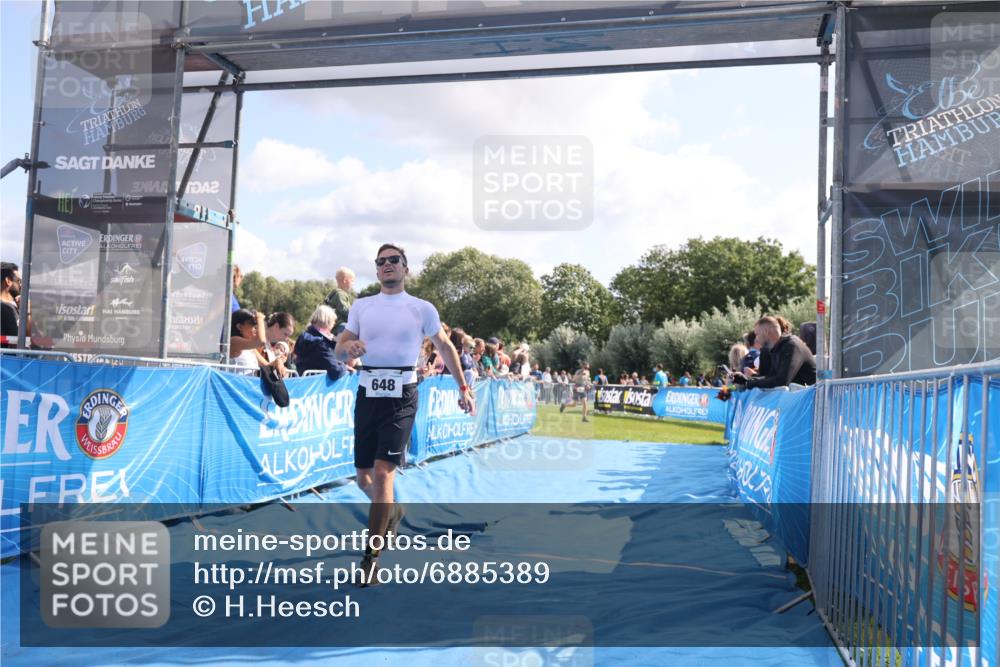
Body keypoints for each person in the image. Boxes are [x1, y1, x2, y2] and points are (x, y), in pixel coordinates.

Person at [335, 243, 474, 586]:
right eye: (381, 261)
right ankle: (392, 511)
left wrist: (463, 387)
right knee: (363, 478)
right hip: (368, 392)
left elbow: (445, 346)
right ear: (376, 269)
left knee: (384, 473)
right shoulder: (362, 306)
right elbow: (339, 349)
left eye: (393, 260)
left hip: (402, 394)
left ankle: (371, 559)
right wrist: (347, 348)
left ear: (405, 268)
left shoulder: (421, 308)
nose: (387, 265)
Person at [733, 316, 816, 389]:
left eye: (757, 334)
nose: (756, 339)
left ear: (766, 331)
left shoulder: (792, 345)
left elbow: (782, 381)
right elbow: (768, 378)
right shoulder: (771, 349)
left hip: (813, 398)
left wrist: (748, 382)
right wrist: (745, 378)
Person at [294, 305, 349, 380]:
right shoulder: (321, 344)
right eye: (333, 321)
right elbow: (336, 371)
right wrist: (344, 366)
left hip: (304, 382)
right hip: (316, 384)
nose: (334, 324)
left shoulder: (303, 337)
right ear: (327, 322)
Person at [324, 267, 357, 336]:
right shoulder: (340, 294)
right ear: (345, 281)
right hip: (338, 325)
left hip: (333, 325)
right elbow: (344, 309)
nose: (353, 283)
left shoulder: (335, 293)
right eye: (352, 281)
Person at [1, 262, 24, 347]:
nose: (21, 285)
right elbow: (18, 344)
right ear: (8, 281)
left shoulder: (12, 305)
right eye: (18, 281)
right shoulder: (6, 308)